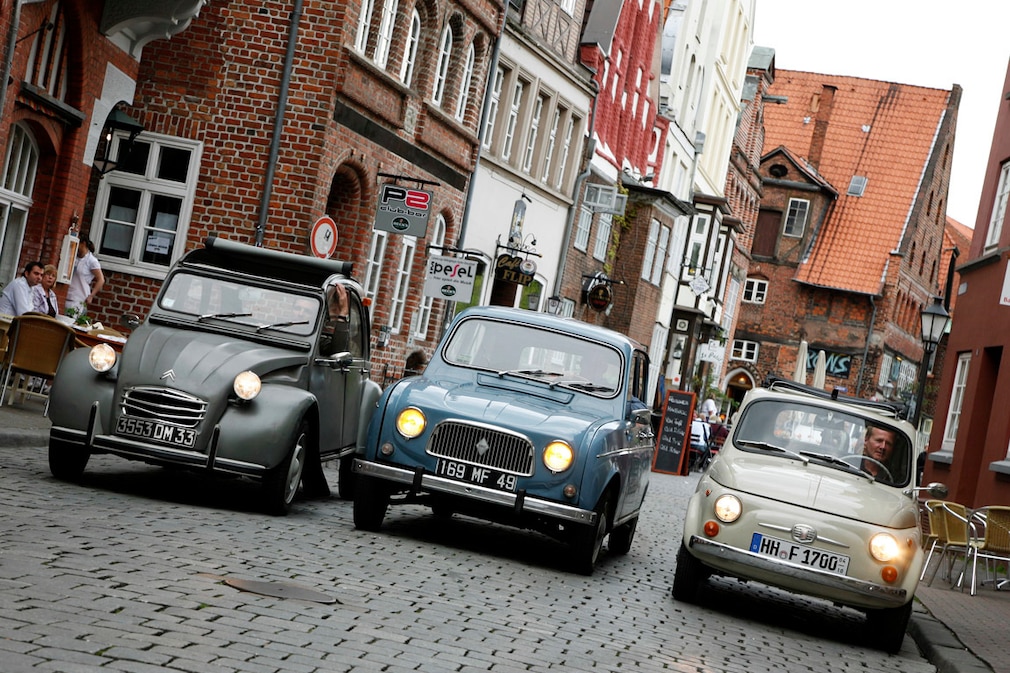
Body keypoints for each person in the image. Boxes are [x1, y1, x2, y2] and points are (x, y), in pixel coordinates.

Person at [65, 235, 104, 315]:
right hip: (68, 293)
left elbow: (101, 279)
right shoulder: (73, 256)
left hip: (79, 297)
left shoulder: (91, 261)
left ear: (83, 243)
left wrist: (91, 295)